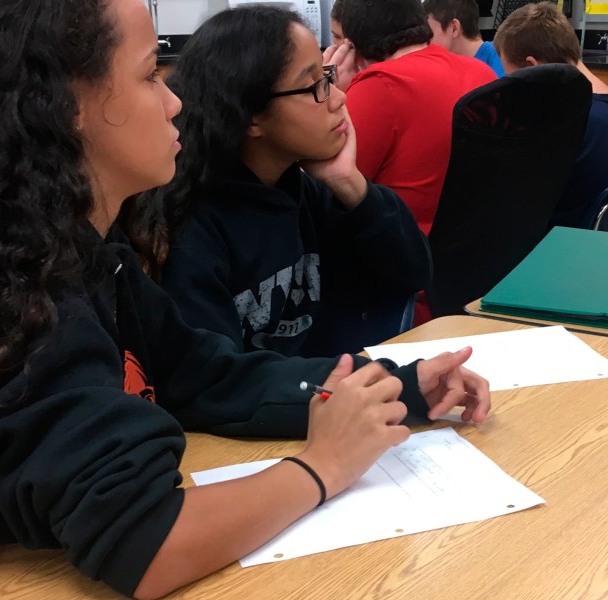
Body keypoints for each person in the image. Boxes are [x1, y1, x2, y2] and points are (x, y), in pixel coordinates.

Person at [0, 0, 490, 600]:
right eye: (148, 77)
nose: (175, 102)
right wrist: (323, 466)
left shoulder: (90, 253)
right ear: (62, 108)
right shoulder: (21, 299)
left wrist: (394, 388)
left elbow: (206, 373)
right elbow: (144, 538)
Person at [127, 6, 431, 358]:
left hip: (315, 385)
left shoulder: (299, 190)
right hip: (280, 391)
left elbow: (413, 273)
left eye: (327, 77)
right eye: (314, 86)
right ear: (251, 116)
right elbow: (215, 377)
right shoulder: (192, 230)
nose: (340, 97)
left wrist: (349, 182)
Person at [328, 0, 496, 237]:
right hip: (478, 241)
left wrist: (331, 94)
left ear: (352, 45)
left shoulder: (377, 87)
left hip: (403, 246)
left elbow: (328, 190)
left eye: (337, 38)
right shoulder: (481, 71)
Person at [494, 2, 608, 231]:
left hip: (557, 246)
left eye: (512, 78)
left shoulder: (566, 122)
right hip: (601, 244)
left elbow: (516, 202)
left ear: (532, 67)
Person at [424, 0, 505, 77]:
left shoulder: (502, 58)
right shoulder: (448, 67)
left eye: (429, 32)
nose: (424, 40)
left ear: (454, 28)